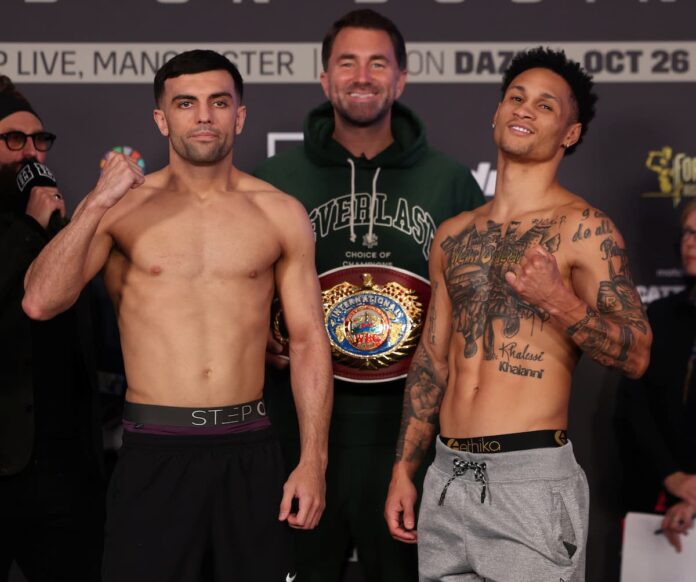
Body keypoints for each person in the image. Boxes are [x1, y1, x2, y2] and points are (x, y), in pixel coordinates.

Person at [22, 50, 332, 582]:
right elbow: (40, 301)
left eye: (219, 102)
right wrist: (96, 202)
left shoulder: (279, 212)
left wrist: (314, 461)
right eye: (186, 104)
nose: (204, 116)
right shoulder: (123, 208)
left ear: (240, 115)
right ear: (162, 119)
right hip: (154, 452)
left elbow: (306, 341)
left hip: (249, 447)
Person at [385, 47, 652, 581]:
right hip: (446, 477)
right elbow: (433, 360)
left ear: (570, 134)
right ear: (496, 114)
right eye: (516, 97)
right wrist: (404, 468)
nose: (525, 109)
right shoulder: (453, 234)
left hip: (528, 480)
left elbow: (637, 354)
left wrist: (559, 300)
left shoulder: (585, 229)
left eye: (545, 105)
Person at [254, 9, 484, 581]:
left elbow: (480, 316)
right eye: (347, 63)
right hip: (298, 431)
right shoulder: (273, 181)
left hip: (412, 440)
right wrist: (255, 335)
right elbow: (238, 289)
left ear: (401, 79)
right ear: (325, 78)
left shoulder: (450, 182)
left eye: (378, 63)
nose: (362, 76)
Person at [0, 76, 105, 581]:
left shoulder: (61, 230)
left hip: (66, 476)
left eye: (39, 140)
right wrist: (28, 230)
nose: (31, 154)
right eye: (13, 139)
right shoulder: (32, 229)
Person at [617, 199, 696, 553]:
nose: (691, 243)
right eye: (689, 233)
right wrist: (672, 475)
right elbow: (635, 405)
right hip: (655, 500)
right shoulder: (662, 316)